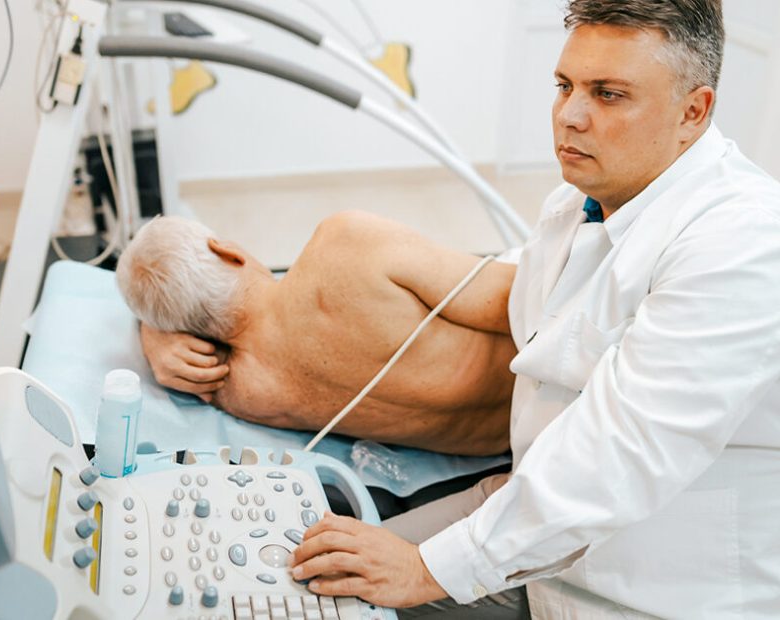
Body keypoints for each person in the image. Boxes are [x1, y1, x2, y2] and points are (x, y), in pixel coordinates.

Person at [288, 0, 780, 617]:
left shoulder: (745, 246)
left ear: (693, 111)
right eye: (564, 85)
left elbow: (620, 454)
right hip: (527, 522)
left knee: (336, 596)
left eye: (607, 94)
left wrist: (424, 569)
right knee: (301, 571)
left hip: (641, 592)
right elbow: (509, 293)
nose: (569, 117)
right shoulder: (577, 204)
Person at [116, 212, 518, 456]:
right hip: (553, 376)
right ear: (228, 251)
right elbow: (526, 299)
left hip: (514, 439)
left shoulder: (237, 392)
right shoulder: (345, 245)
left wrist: (153, 336)